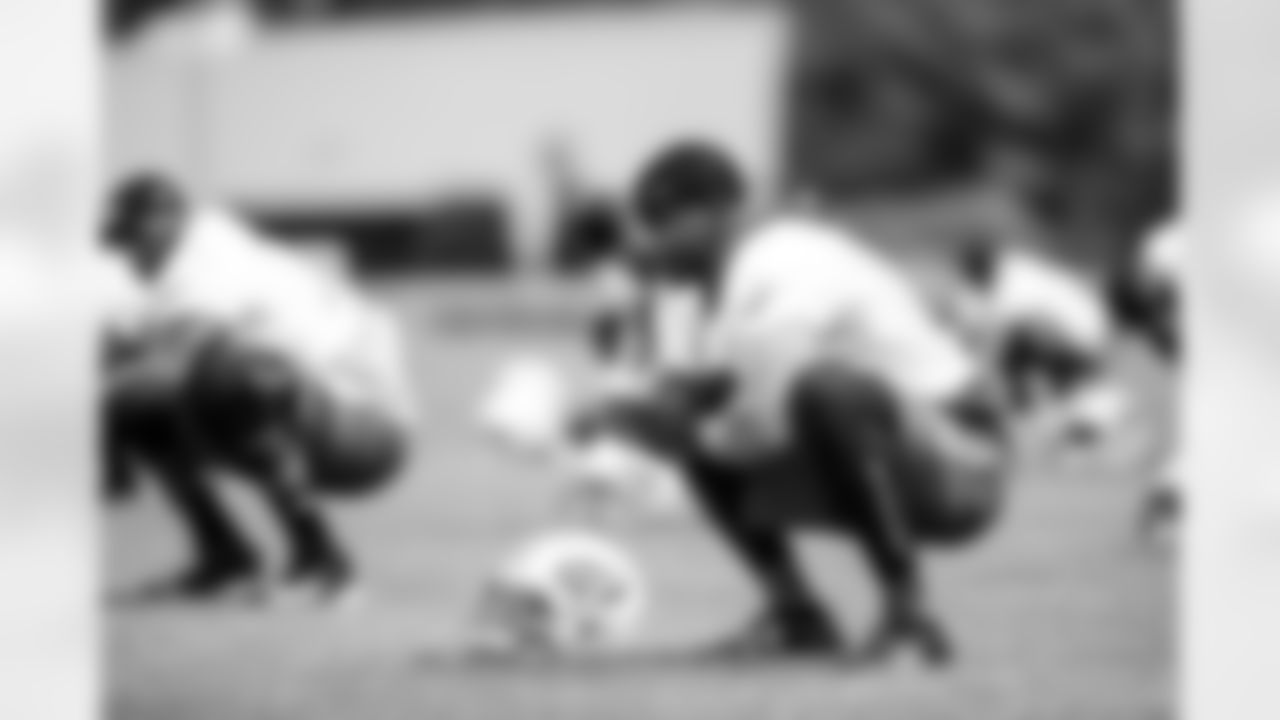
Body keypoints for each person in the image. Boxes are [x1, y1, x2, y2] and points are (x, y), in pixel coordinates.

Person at [578, 140, 1016, 666]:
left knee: (822, 390)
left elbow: (763, 408)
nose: (647, 239)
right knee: (703, 417)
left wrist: (660, 424)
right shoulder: (725, 284)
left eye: (660, 218)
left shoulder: (781, 258)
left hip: (967, 460)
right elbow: (720, 397)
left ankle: (906, 604)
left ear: (717, 212)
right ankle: (797, 617)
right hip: (907, 446)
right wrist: (639, 415)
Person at [102, 173, 415, 603]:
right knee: (148, 412)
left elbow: (169, 366)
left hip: (368, 428)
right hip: (331, 412)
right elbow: (122, 346)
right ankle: (224, 559)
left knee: (231, 378)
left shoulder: (209, 260)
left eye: (133, 239)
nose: (128, 256)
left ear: (165, 222)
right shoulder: (188, 265)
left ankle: (324, 567)